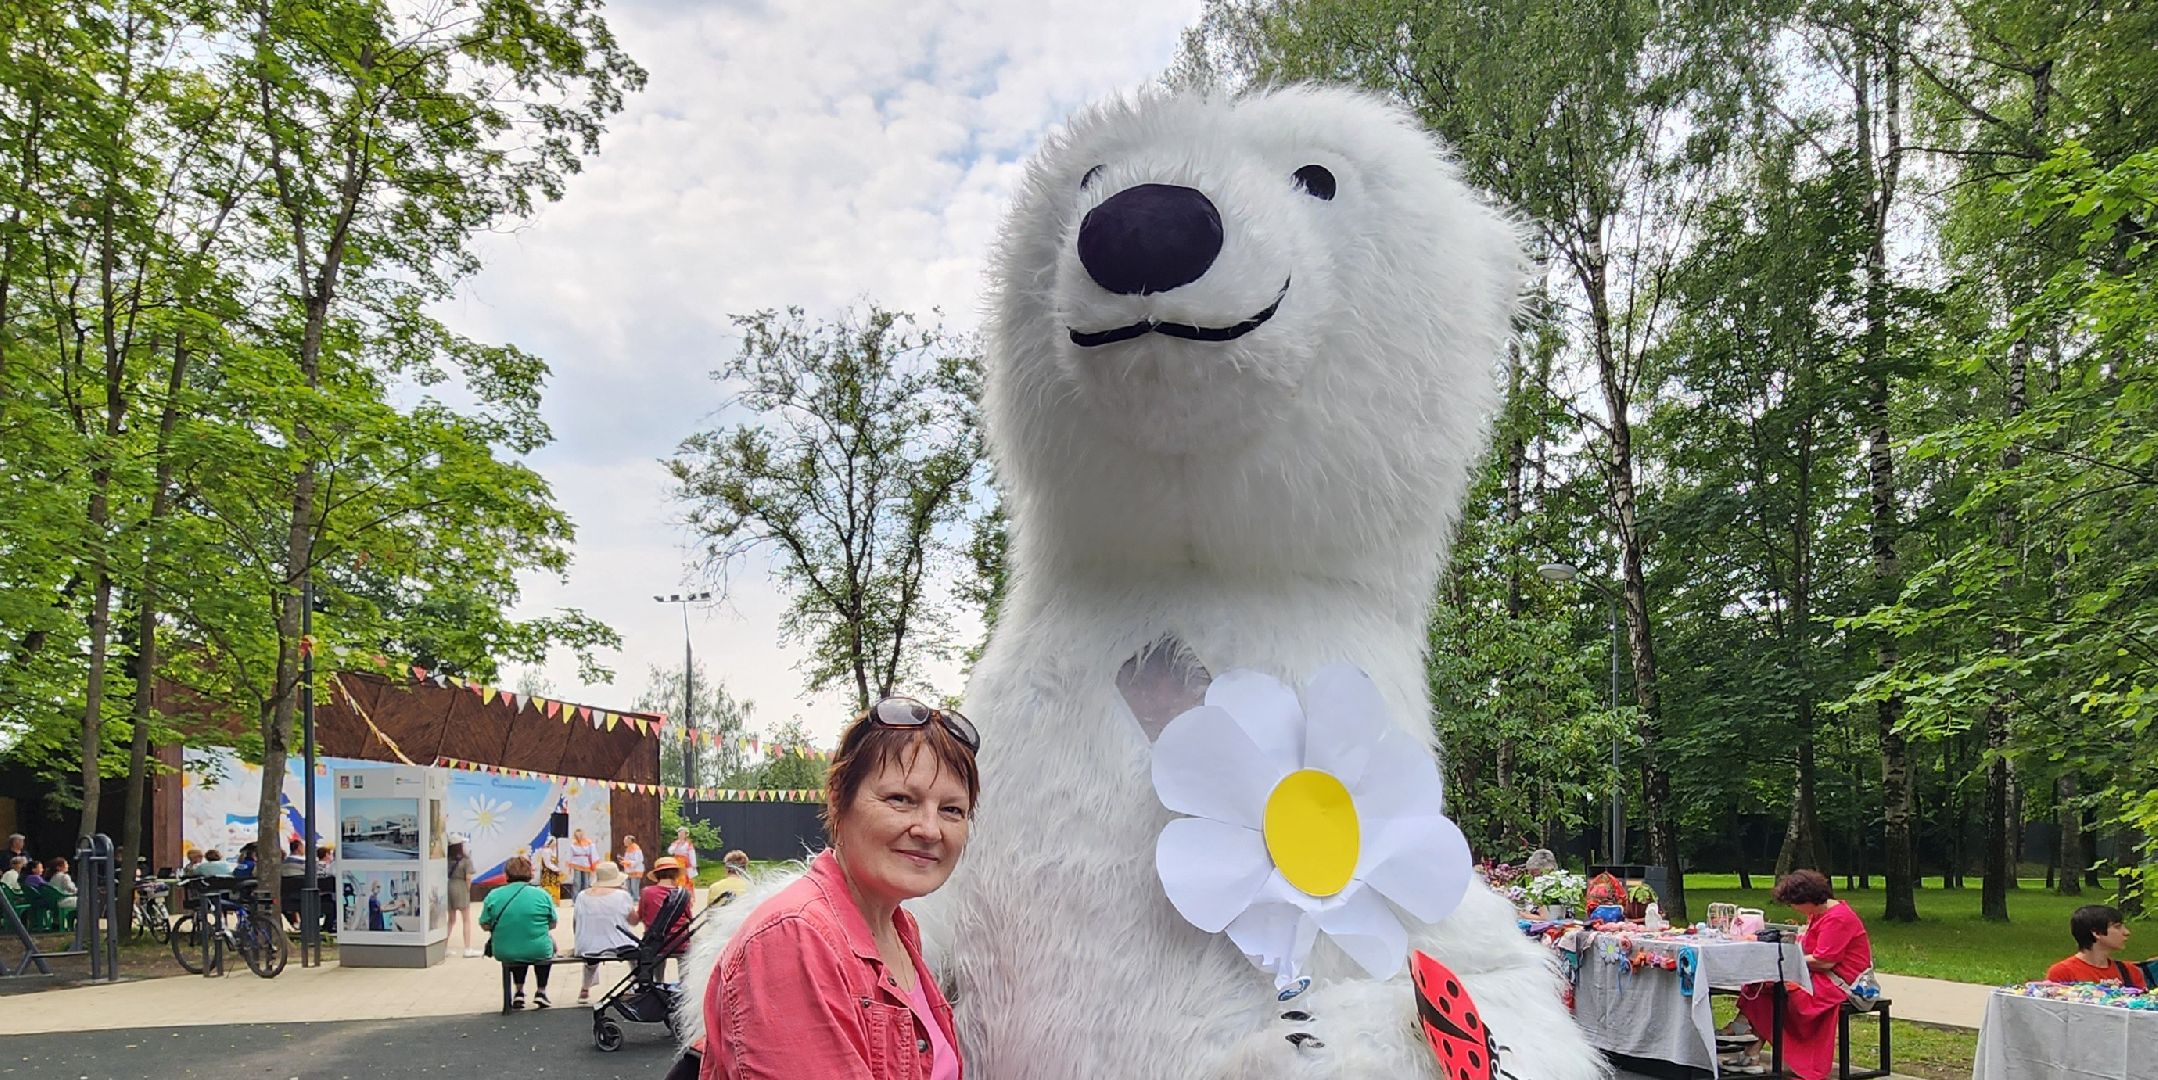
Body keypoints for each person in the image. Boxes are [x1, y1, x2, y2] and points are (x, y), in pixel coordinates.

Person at [699, 695, 979, 1080]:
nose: (930, 830)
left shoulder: (901, 930)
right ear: (837, 800)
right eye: (901, 799)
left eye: (952, 810)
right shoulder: (794, 938)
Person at [1726, 870, 1874, 1079]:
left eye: (1793, 903)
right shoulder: (1820, 914)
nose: (1793, 908)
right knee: (1761, 985)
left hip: (1837, 983)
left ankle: (1743, 1036)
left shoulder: (1837, 918)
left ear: (1807, 899)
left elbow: (1825, 961)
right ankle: (1749, 1049)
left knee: (1778, 992)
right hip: (1818, 975)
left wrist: (1783, 961)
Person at [480, 854, 560, 1009]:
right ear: (530, 873)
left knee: (516, 949)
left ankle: (519, 991)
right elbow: (552, 924)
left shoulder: (494, 895)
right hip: (538, 948)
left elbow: (484, 924)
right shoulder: (542, 894)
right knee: (544, 946)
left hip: (505, 950)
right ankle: (541, 991)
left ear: (507, 874)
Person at [573, 861, 639, 1004]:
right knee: (636, 952)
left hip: (586, 945)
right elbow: (634, 921)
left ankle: (585, 988)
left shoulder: (581, 896)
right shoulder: (622, 896)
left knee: (593, 949)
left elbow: (575, 923)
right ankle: (637, 983)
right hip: (618, 945)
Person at [2046, 904, 2148, 987]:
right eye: (2117, 927)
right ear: (2096, 932)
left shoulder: (2130, 971)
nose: (2126, 932)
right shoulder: (2063, 972)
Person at [639, 856, 691, 965]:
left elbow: (641, 916)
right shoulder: (684, 894)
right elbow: (689, 918)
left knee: (654, 956)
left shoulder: (647, 892)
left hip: (655, 943)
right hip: (679, 942)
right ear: (676, 874)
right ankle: (684, 979)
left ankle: (658, 980)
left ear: (657, 875)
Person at [447, 836, 480, 957]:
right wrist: (468, 890)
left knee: (451, 920)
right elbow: (468, 877)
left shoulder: (447, 859)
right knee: (466, 919)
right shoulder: (466, 860)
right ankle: (467, 948)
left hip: (449, 885)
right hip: (461, 886)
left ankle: (443, 947)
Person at [568, 828, 598, 896]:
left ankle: (586, 897)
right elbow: (571, 855)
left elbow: (593, 854)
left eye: (580, 835)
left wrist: (593, 865)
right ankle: (576, 899)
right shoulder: (573, 844)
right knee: (577, 882)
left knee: (586, 882)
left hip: (586, 864)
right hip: (576, 864)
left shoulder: (589, 843)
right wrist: (570, 865)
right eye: (577, 835)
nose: (578, 837)